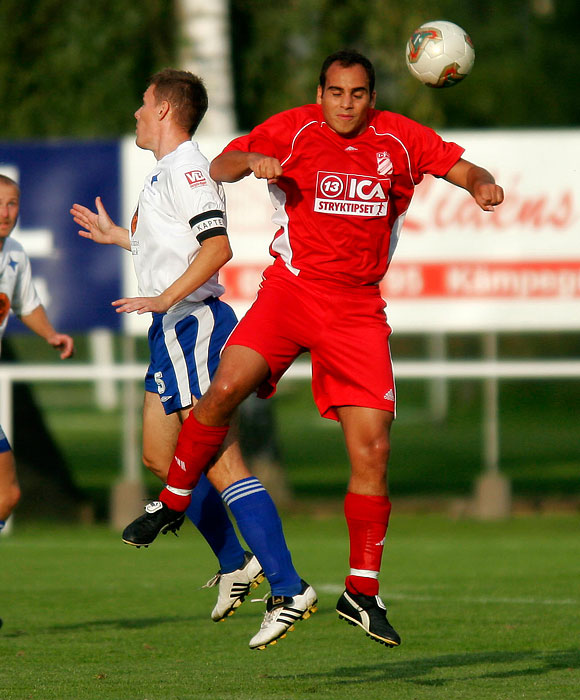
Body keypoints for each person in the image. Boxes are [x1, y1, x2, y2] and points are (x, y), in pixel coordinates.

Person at [122, 50, 504, 648]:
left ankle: (362, 592)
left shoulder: (400, 138)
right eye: (335, 92)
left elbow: (459, 167)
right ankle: (173, 501)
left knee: (373, 449)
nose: (346, 103)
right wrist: (251, 159)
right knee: (221, 391)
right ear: (320, 92)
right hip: (291, 293)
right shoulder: (296, 126)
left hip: (356, 310)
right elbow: (219, 165)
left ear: (370, 96)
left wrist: (481, 184)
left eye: (357, 93)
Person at [70, 69, 316, 649]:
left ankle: (288, 585)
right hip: (170, 328)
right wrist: (124, 241)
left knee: (223, 463)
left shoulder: (186, 168)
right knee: (160, 456)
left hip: (194, 326)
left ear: (163, 111)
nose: (135, 112)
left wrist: (164, 297)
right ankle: (237, 563)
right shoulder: (168, 170)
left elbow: (218, 247)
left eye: (143, 102)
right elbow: (180, 244)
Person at [0, 174, 75, 628]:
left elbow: (26, 303)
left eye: (14, 202)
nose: (7, 211)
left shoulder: (13, 255)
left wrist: (50, 334)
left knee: (7, 495)